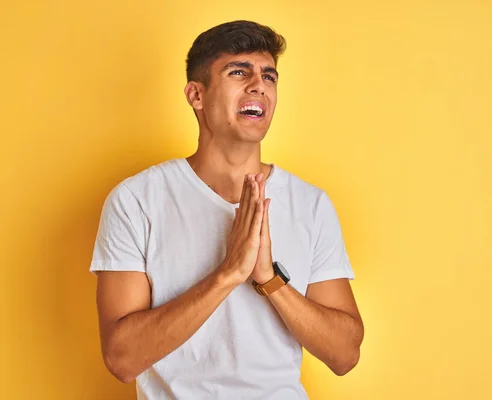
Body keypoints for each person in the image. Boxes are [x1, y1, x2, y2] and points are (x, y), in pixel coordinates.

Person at [90, 20, 364, 399]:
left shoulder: (310, 203)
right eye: (239, 72)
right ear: (196, 95)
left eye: (269, 76)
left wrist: (268, 279)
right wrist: (229, 272)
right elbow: (122, 359)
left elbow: (345, 354)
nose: (259, 85)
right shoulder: (136, 200)